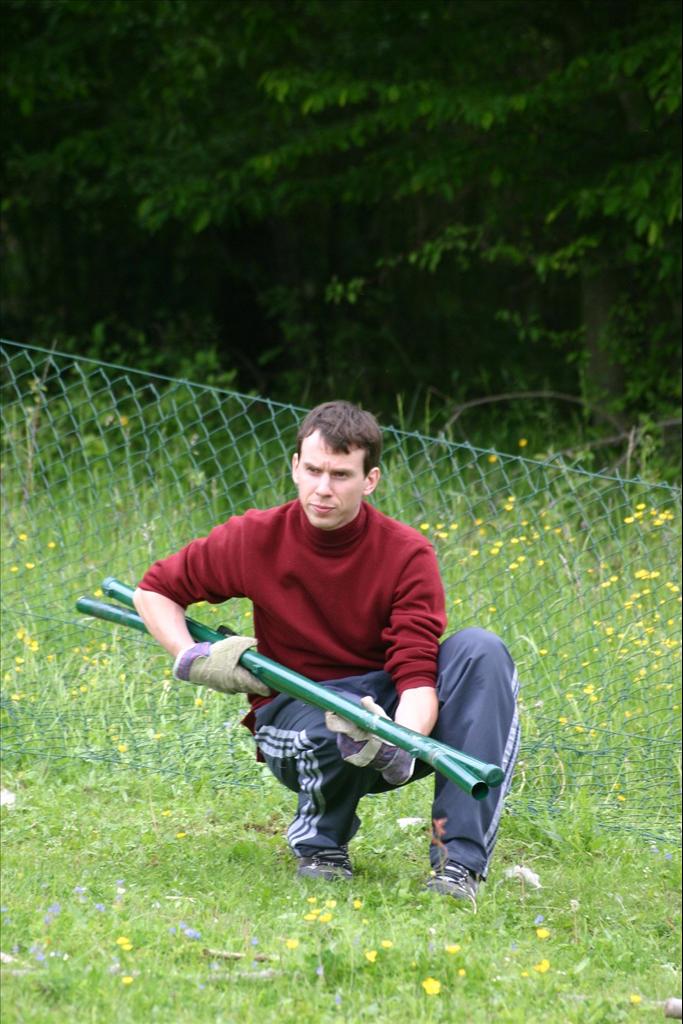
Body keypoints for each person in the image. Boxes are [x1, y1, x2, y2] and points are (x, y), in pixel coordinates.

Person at [133, 400, 520, 905]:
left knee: (481, 651)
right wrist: (193, 658)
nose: (323, 488)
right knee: (335, 721)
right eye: (313, 470)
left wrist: (398, 742)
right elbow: (154, 591)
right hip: (296, 713)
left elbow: (417, 677)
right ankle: (321, 845)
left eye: (340, 475)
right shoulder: (256, 537)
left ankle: (457, 864)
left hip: (389, 718)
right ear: (295, 466)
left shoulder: (406, 554)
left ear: (370, 479)